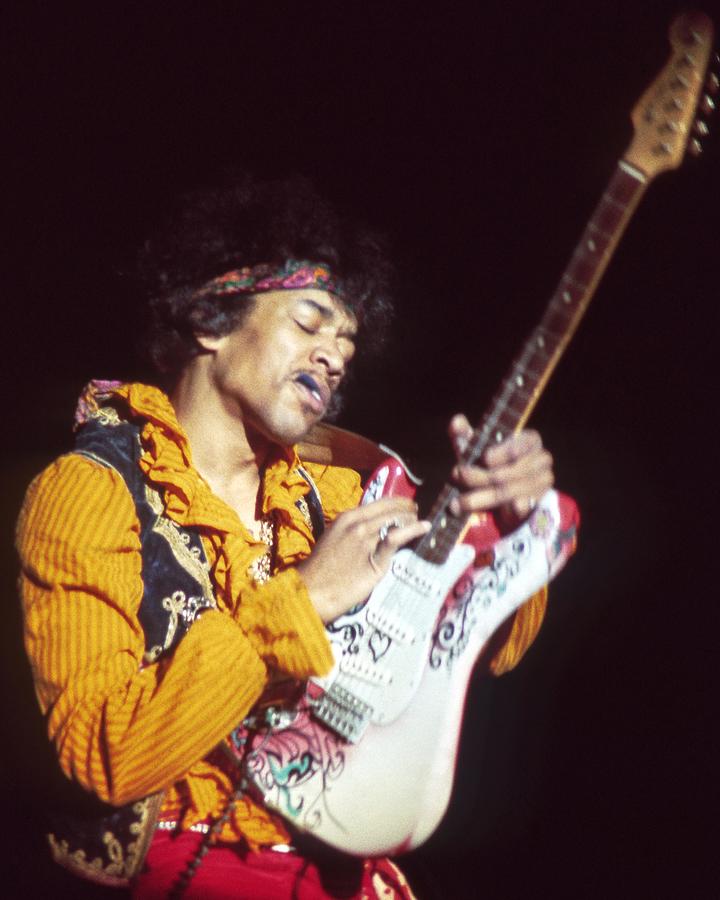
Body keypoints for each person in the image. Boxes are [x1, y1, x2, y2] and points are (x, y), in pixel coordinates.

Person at [17, 173, 557, 898]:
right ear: (211, 321)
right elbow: (106, 752)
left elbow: (475, 648)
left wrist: (505, 523)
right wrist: (301, 599)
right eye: (309, 323)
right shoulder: (91, 492)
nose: (335, 356)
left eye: (346, 343)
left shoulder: (342, 491)